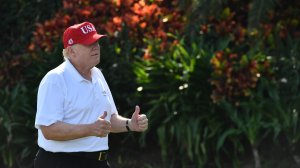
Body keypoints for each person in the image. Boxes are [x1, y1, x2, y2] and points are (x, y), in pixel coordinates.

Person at [34, 21, 148, 168]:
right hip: (61, 163)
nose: (96, 47)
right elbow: (49, 130)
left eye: (96, 41)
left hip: (97, 162)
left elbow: (109, 120)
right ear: (71, 51)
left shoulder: (97, 74)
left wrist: (130, 124)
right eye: (88, 43)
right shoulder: (55, 79)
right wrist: (90, 129)